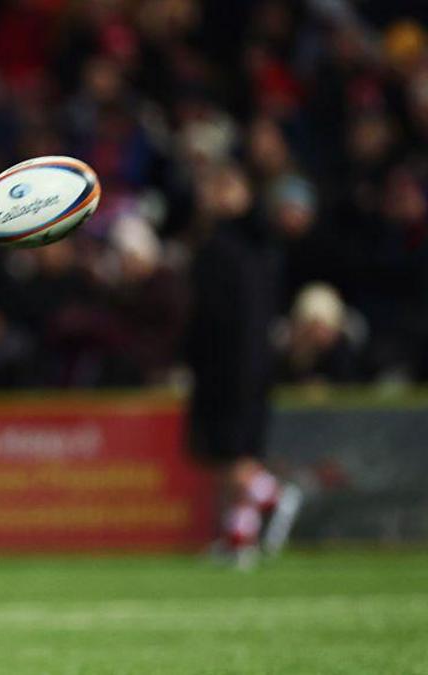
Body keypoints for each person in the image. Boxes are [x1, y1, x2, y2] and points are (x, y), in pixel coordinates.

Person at [186, 163, 301, 568]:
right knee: (224, 457)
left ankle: (274, 495)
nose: (214, 195)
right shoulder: (218, 243)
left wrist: (242, 368)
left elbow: (242, 319)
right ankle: (240, 540)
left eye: (225, 186)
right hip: (224, 363)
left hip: (238, 365)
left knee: (236, 456)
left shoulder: (244, 246)